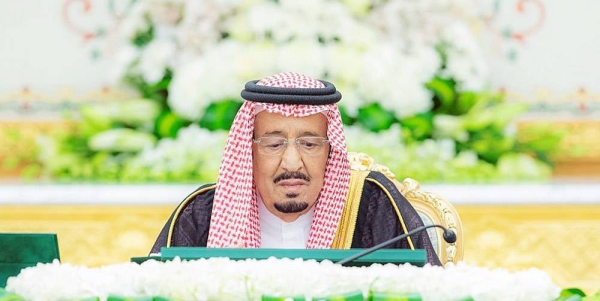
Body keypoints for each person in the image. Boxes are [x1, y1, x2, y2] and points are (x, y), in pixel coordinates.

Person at [150, 72, 441, 266]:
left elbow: (430, 290)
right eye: (274, 144)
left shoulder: (373, 204)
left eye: (310, 144)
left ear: (330, 151)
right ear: (248, 151)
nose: (292, 163)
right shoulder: (201, 214)